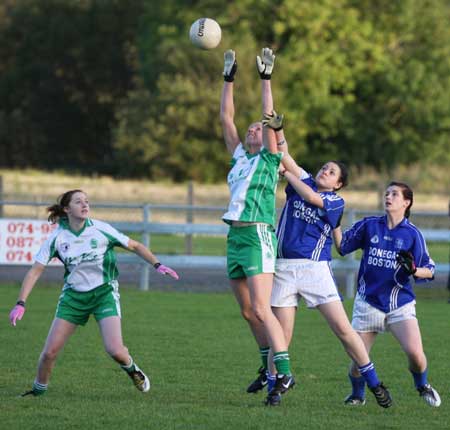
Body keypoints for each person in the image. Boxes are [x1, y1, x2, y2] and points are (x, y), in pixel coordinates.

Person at [264, 129, 392, 408]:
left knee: (344, 330)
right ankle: (275, 386)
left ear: (338, 184)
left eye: (332, 172)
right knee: (281, 334)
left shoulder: (335, 201)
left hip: (315, 270)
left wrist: (288, 174)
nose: (325, 171)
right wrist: (278, 129)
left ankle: (374, 381)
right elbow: (284, 154)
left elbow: (310, 197)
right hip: (284, 268)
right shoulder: (304, 180)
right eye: (325, 167)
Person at [9, 189, 179, 396]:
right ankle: (37, 393)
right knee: (49, 353)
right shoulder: (58, 238)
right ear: (66, 209)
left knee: (115, 350)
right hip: (73, 298)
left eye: (87, 201)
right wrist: (21, 302)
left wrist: (158, 265)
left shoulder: (100, 229)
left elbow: (134, 245)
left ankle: (133, 369)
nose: (85, 205)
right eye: (78, 202)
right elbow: (36, 270)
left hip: (103, 294)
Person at [220, 47, 294, 405]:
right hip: (234, 236)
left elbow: (269, 117)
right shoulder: (239, 156)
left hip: (258, 234)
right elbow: (225, 118)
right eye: (250, 128)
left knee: (263, 309)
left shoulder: (269, 158)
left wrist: (266, 78)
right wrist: (228, 79)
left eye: (258, 128)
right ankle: (268, 367)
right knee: (248, 312)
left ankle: (285, 372)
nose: (252, 129)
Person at [335, 181, 441, 407]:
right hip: (368, 302)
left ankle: (422, 384)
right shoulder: (370, 225)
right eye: (387, 193)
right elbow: (342, 247)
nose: (388, 197)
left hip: (399, 304)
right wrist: (332, 219)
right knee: (357, 361)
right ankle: (357, 394)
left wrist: (413, 270)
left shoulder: (413, 234)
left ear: (406, 202)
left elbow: (429, 270)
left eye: (394, 194)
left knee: (416, 355)